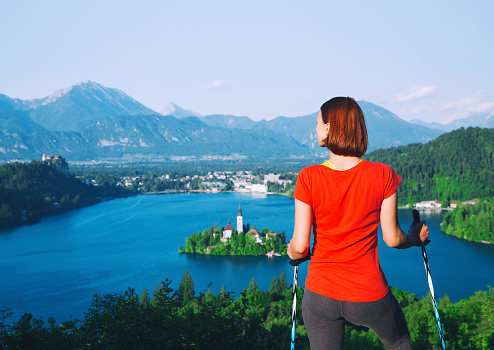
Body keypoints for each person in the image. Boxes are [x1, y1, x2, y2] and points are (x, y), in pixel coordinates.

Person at [287, 97, 429, 350]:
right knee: (400, 343)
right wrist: (415, 238)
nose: (315, 128)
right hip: (368, 292)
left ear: (330, 128)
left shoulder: (308, 177)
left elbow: (299, 248)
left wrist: (291, 250)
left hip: (321, 295)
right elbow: (393, 239)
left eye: (317, 122)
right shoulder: (382, 174)